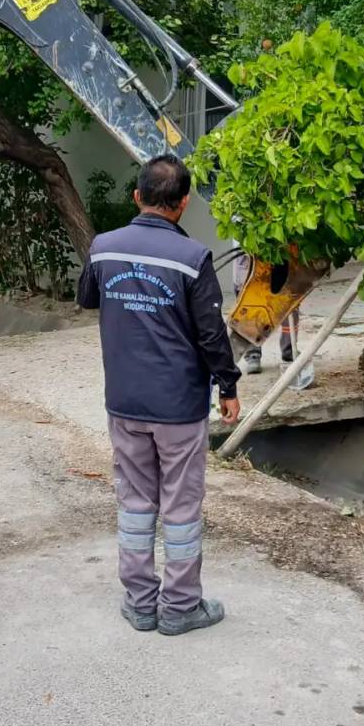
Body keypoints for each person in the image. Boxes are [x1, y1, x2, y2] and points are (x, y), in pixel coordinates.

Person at [77, 154, 241, 637]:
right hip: (179, 408)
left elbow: (88, 298)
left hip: (124, 403)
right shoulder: (193, 259)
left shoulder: (103, 248)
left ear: (137, 196)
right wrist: (228, 386)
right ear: (183, 204)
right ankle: (180, 608)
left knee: (134, 502)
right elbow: (212, 334)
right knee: (181, 507)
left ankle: (141, 603)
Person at [231, 251, 315, 390]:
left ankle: (289, 351)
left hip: (282, 252)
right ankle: (253, 354)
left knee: (288, 299)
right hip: (249, 257)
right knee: (253, 303)